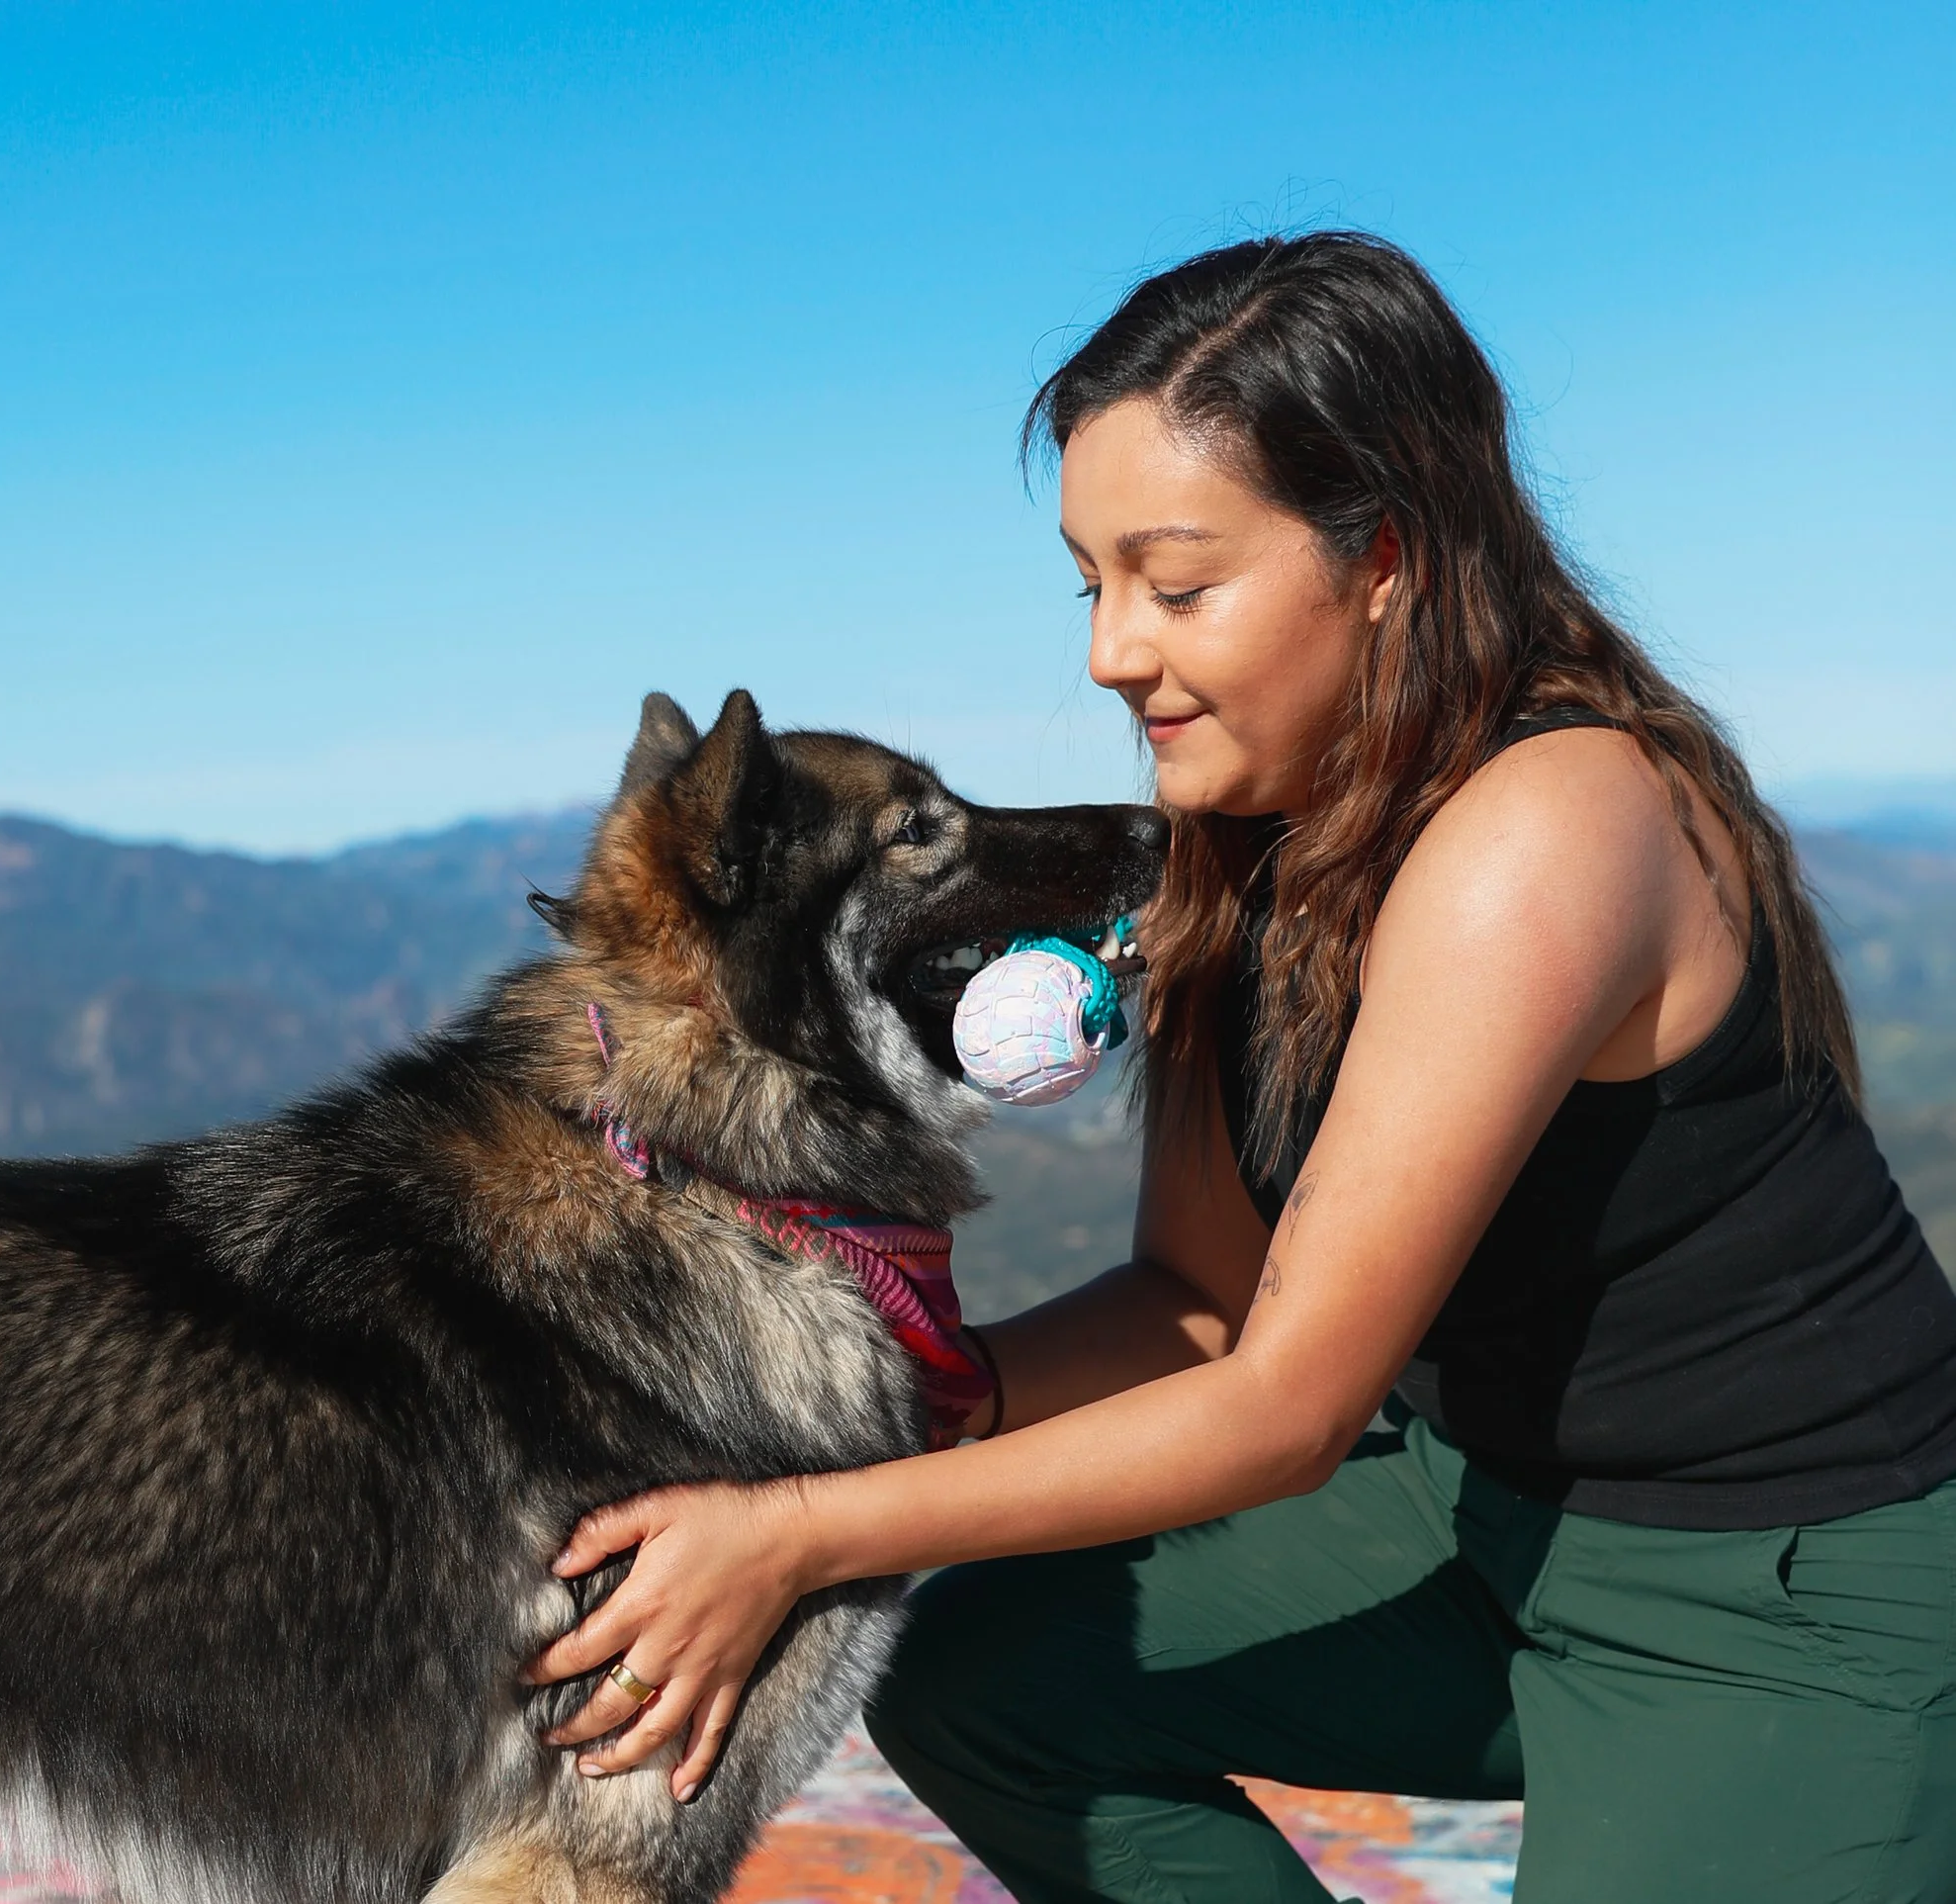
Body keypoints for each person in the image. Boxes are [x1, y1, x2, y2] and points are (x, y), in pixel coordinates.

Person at [523, 231, 1956, 1901]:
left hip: (1770, 1588)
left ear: (1387, 560)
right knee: (977, 1673)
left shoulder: (1549, 834)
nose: (1110, 654)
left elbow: (1280, 1402)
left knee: (872, 1588)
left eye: (1177, 585)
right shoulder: (1247, 838)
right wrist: (866, 1409)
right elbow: (1197, 1296)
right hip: (1466, 1506)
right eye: (1091, 583)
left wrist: (796, 1534)